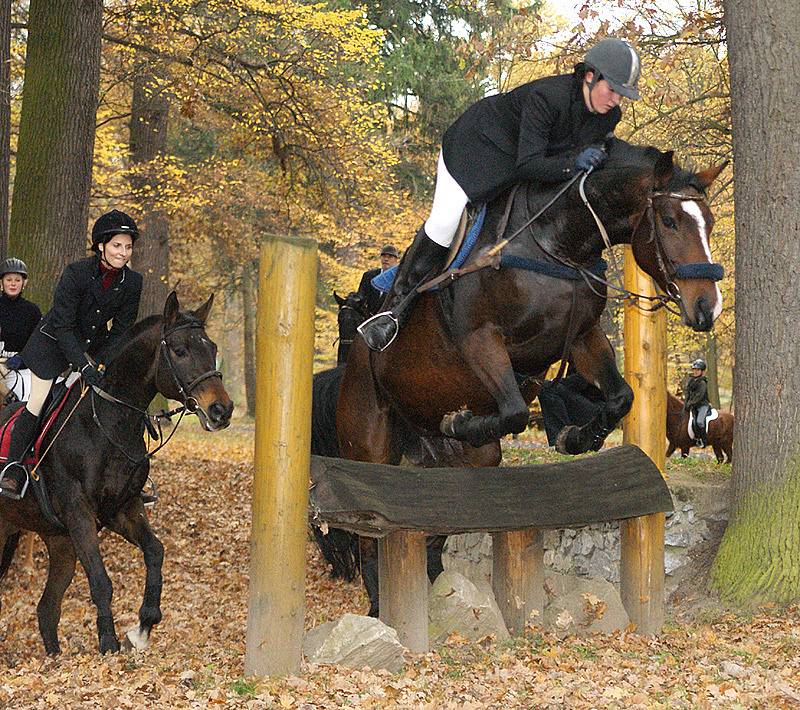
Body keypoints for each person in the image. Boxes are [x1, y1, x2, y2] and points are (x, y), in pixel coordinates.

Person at [359, 37, 642, 351]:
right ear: (590, 76)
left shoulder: (609, 116)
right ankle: (392, 309)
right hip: (476, 151)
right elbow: (530, 164)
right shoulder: (546, 98)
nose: (616, 100)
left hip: (524, 163)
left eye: (622, 94)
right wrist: (573, 163)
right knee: (445, 221)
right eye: (613, 89)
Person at [0, 210, 143, 499]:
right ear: (101, 246)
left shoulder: (133, 282)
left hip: (92, 345)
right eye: (117, 245)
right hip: (51, 345)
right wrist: (83, 365)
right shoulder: (76, 273)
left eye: (128, 247)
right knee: (38, 403)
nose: (123, 253)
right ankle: (13, 469)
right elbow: (63, 326)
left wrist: (100, 361)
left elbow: (122, 329)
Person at [0, 258, 42, 402]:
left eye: (17, 280)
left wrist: (23, 359)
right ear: (2, 282)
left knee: (28, 399)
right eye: (9, 279)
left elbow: (38, 343)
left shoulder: (32, 311)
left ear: (24, 283)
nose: (13, 284)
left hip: (21, 368)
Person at [538, 372, 606, 447]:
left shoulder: (587, 362)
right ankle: (574, 439)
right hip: (592, 408)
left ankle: (562, 441)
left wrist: (555, 381)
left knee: (547, 387)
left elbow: (578, 381)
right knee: (549, 387)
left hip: (596, 410)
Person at [355, 244, 400, 316]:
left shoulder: (399, 279)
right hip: (368, 318)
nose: (386, 259)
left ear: (396, 260)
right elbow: (361, 296)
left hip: (389, 319)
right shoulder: (368, 276)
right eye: (384, 256)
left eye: (390, 257)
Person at [684, 358, 710, 447]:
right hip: (692, 405)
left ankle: (703, 440)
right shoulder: (691, 381)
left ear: (702, 371)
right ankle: (694, 439)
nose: (695, 372)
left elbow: (699, 397)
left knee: (699, 422)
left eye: (697, 370)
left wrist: (690, 403)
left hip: (702, 405)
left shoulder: (702, 382)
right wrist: (686, 402)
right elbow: (687, 392)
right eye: (694, 369)